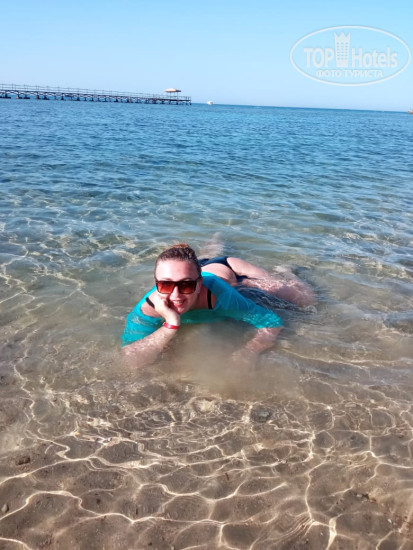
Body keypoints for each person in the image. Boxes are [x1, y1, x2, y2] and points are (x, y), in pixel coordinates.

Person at [121, 243, 315, 365]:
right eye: (165, 284)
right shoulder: (148, 308)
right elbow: (129, 361)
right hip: (196, 268)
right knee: (212, 248)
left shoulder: (221, 296)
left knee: (304, 298)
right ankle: (215, 241)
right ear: (156, 283)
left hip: (228, 269)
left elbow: (272, 322)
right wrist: (170, 326)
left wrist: (248, 352)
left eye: (186, 285)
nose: (175, 295)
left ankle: (285, 271)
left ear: (199, 284)